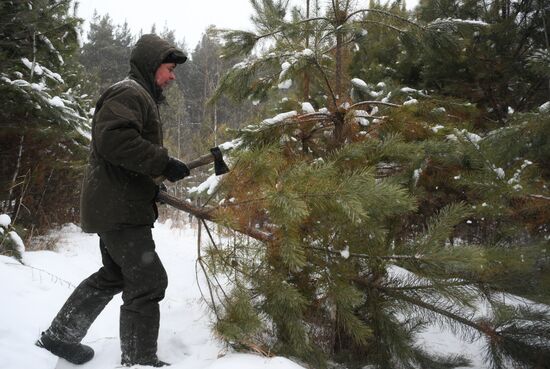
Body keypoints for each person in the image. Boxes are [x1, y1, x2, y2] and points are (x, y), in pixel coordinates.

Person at [35, 34, 190, 367]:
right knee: (149, 281)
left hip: (117, 206)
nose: (172, 76)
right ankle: (138, 360)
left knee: (115, 274)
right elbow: (115, 141)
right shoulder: (130, 92)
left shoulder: (140, 95)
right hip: (120, 212)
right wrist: (162, 163)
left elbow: (123, 158)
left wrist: (153, 186)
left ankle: (60, 335)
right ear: (152, 66)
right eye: (169, 68)